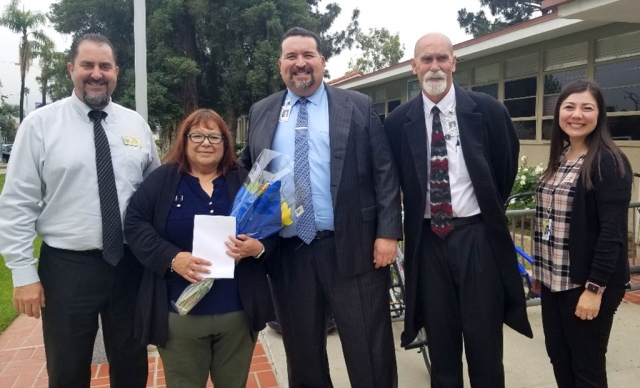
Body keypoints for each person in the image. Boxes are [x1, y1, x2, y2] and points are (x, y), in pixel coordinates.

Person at [240, 27, 403, 388]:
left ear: (322, 62)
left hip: (355, 248)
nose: (301, 64)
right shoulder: (262, 110)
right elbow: (249, 169)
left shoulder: (356, 105)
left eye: (308, 55)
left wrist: (388, 233)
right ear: (281, 65)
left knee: (369, 353)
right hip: (289, 253)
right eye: (292, 57)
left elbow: (385, 170)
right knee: (303, 357)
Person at [0, 33, 159, 387]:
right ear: (72, 68)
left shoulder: (136, 125)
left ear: (116, 71)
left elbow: (154, 195)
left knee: (132, 361)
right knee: (68, 367)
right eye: (88, 65)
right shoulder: (40, 126)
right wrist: (23, 274)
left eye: (105, 66)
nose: (96, 73)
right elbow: (16, 203)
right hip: (68, 268)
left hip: (129, 264)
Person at [383, 32, 533, 388]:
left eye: (442, 58)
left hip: (477, 240)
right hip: (428, 245)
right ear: (413, 66)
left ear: (454, 62)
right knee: (442, 347)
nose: (435, 66)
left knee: (485, 346)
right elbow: (394, 179)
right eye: (426, 59)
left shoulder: (488, 110)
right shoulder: (397, 123)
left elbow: (503, 170)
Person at [124, 109, 276, 387]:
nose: (206, 143)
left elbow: (271, 228)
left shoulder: (244, 181)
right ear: (184, 140)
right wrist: (171, 257)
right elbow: (135, 224)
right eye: (197, 135)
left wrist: (259, 247)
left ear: (225, 143)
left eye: (214, 137)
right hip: (179, 314)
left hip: (236, 313)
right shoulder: (163, 180)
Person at [532, 80, 632, 388]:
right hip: (553, 281)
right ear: (558, 113)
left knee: (586, 368)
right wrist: (540, 271)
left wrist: (594, 289)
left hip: (585, 284)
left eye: (587, 108)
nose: (577, 115)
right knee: (560, 359)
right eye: (569, 107)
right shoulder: (561, 156)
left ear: (599, 115)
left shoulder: (607, 161)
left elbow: (612, 233)